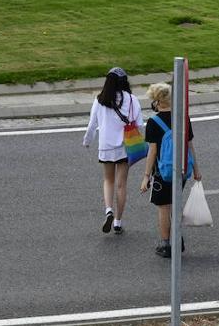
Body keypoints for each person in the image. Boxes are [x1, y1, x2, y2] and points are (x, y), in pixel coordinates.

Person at [141, 82, 201, 258]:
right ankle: (178, 237)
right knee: (175, 204)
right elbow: (190, 146)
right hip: (182, 169)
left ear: (156, 102)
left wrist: (146, 176)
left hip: (162, 172)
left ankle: (166, 244)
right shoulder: (183, 118)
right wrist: (196, 169)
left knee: (164, 208)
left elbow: (152, 151)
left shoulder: (153, 122)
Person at [81, 67, 143, 236]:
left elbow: (92, 124)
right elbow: (139, 124)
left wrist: (87, 141)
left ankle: (108, 210)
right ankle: (118, 222)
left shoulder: (100, 100)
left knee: (108, 180)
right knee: (122, 184)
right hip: (125, 146)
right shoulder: (132, 99)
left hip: (106, 146)